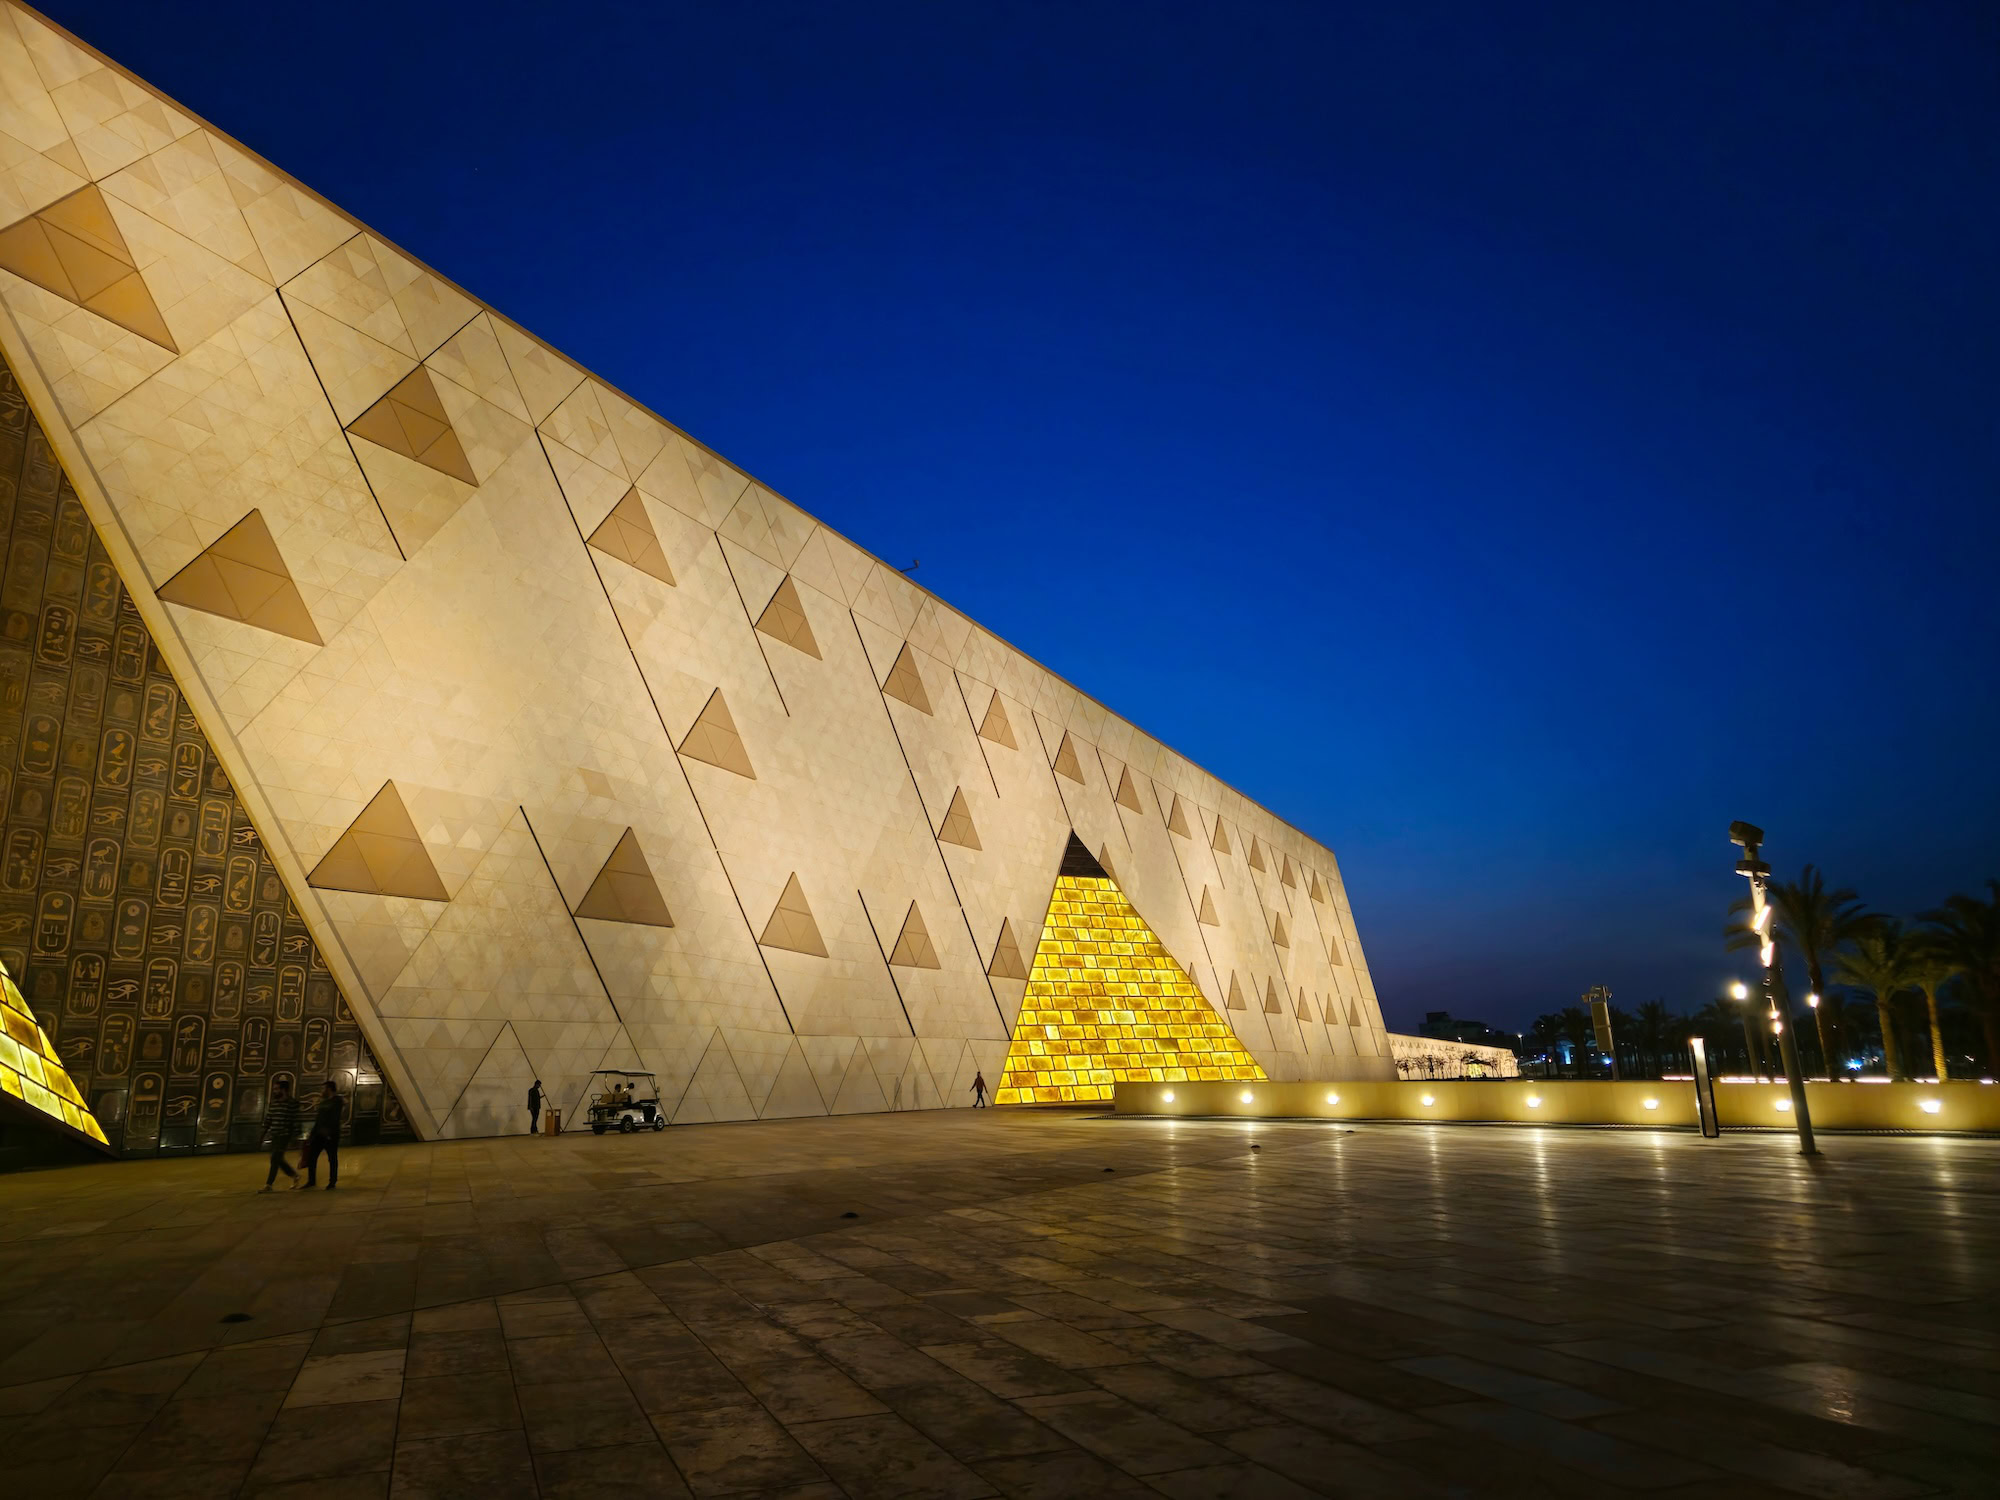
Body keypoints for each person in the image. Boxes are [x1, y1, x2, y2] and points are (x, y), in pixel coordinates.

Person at [260, 1079, 301, 1191]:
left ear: (284, 1090)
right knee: (277, 1159)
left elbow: (295, 1120)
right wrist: (262, 1134)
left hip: (284, 1135)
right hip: (274, 1134)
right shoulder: (274, 1103)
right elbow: (268, 1119)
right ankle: (294, 1175)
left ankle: (269, 1184)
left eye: (276, 1089)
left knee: (275, 1158)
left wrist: (295, 1137)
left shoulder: (292, 1103)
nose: (274, 1091)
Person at [301, 1079, 343, 1190]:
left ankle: (332, 1181)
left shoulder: (337, 1101)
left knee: (332, 1158)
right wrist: (312, 1133)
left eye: (323, 1088)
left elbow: (335, 1118)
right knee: (312, 1157)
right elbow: (318, 1118)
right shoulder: (323, 1101)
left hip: (331, 1135)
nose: (321, 1091)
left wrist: (329, 1132)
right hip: (319, 1134)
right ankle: (311, 1181)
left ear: (329, 1089)